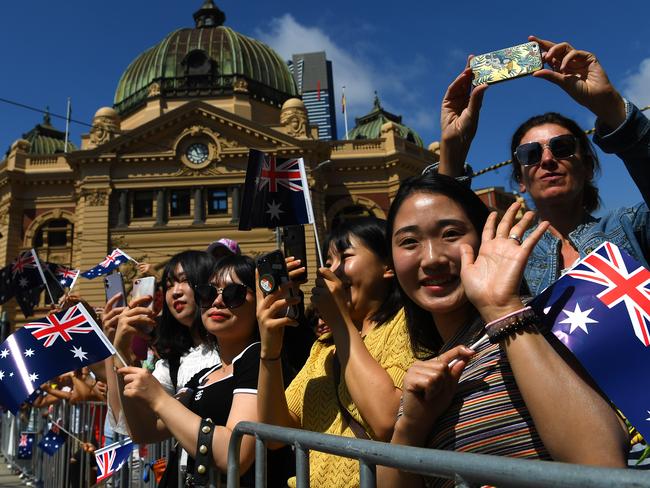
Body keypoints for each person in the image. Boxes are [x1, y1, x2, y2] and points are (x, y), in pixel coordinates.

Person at [377, 173, 628, 488]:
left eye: (451, 234)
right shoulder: (424, 377)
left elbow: (602, 464)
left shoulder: (547, 320)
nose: (432, 258)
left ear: (484, 236)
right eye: (409, 241)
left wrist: (502, 311)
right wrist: (411, 426)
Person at [437, 35, 650, 295]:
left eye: (562, 148)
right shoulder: (501, 255)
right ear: (521, 181)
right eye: (530, 154)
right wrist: (452, 149)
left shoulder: (633, 226)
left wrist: (610, 106)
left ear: (588, 168)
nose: (547, 160)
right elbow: (439, 245)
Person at [257, 217, 415, 488]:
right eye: (328, 262)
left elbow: (387, 422)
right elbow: (274, 434)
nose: (331, 271)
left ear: (388, 265)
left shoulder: (408, 324)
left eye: (345, 256)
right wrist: (269, 349)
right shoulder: (323, 349)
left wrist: (340, 321)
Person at [117, 254, 274, 486]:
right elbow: (144, 430)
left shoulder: (260, 358)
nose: (217, 302)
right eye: (208, 293)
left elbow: (236, 455)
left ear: (261, 302)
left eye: (233, 294)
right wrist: (121, 352)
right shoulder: (204, 375)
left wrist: (159, 398)